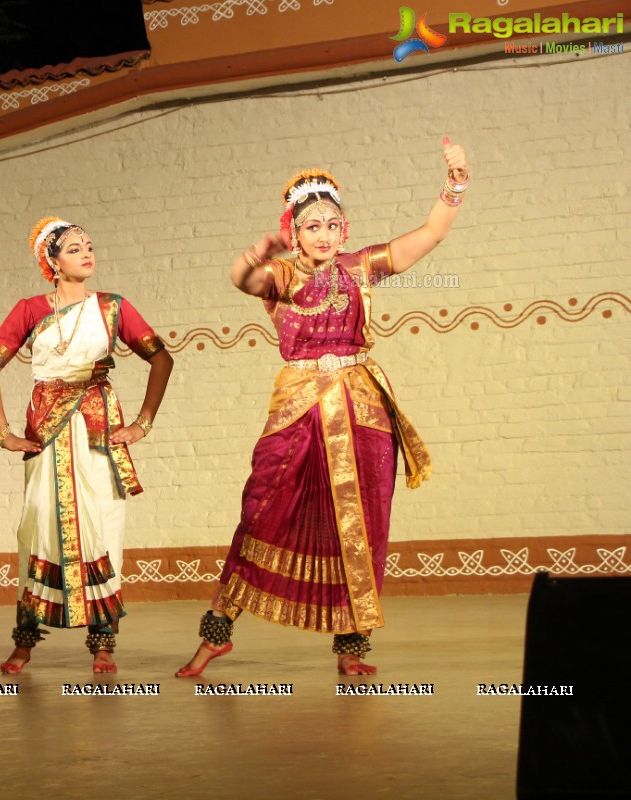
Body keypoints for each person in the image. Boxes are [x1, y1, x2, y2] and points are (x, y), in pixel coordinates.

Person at [176, 137, 470, 678]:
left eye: (333, 225)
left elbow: (429, 234)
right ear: (294, 233)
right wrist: (253, 257)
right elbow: (242, 281)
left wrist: (454, 184)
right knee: (261, 509)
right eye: (313, 226)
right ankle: (219, 630)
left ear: (346, 231)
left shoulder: (360, 268)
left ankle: (351, 647)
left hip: (361, 408)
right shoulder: (284, 276)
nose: (325, 235)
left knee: (364, 522)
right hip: (299, 408)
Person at [0, 217, 173, 674]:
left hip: (97, 428)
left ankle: (103, 642)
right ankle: (25, 641)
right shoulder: (29, 309)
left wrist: (144, 423)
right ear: (52, 261)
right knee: (39, 528)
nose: (87, 253)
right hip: (47, 430)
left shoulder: (113, 308)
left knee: (104, 528)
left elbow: (161, 358)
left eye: (89, 246)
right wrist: (3, 432)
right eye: (73, 249)